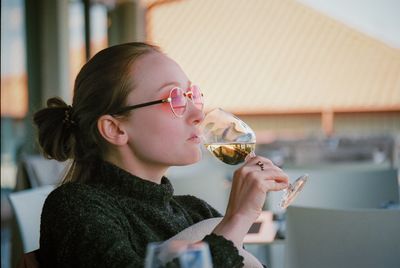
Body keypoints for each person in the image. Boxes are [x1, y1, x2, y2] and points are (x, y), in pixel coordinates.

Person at [34, 42, 289, 267]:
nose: (198, 114)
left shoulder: (195, 211)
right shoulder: (76, 208)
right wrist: (238, 219)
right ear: (115, 129)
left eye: (192, 95)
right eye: (175, 99)